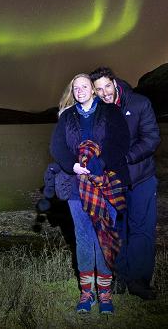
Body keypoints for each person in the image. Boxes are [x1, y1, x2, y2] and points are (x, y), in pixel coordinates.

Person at [50, 73, 131, 314]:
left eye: (84, 86)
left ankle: (105, 294)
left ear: (92, 90)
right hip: (76, 186)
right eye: (76, 88)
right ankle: (87, 293)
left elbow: (122, 142)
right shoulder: (67, 116)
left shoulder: (110, 112)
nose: (80, 91)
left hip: (106, 182)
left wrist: (102, 162)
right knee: (84, 237)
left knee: (104, 235)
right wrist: (71, 165)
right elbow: (56, 147)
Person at [90, 66, 161, 300]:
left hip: (141, 178)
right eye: (98, 90)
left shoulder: (139, 104)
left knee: (141, 229)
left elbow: (151, 139)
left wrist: (126, 158)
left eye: (107, 86)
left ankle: (139, 282)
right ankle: (119, 279)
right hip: (113, 182)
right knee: (117, 231)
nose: (104, 93)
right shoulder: (96, 111)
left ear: (115, 82)